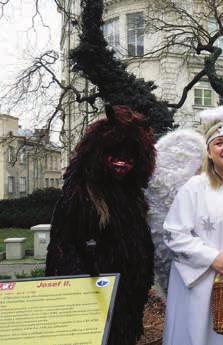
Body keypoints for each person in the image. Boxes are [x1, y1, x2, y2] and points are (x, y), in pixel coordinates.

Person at [46, 105, 155, 345]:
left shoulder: (132, 195)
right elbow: (63, 248)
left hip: (127, 298)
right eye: (114, 154)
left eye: (130, 157)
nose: (122, 162)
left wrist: (142, 276)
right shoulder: (79, 195)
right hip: (90, 299)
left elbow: (140, 241)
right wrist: (84, 291)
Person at [162, 109, 223, 345]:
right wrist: (211, 257)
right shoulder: (196, 187)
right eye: (219, 143)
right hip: (203, 283)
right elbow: (173, 233)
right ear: (209, 152)